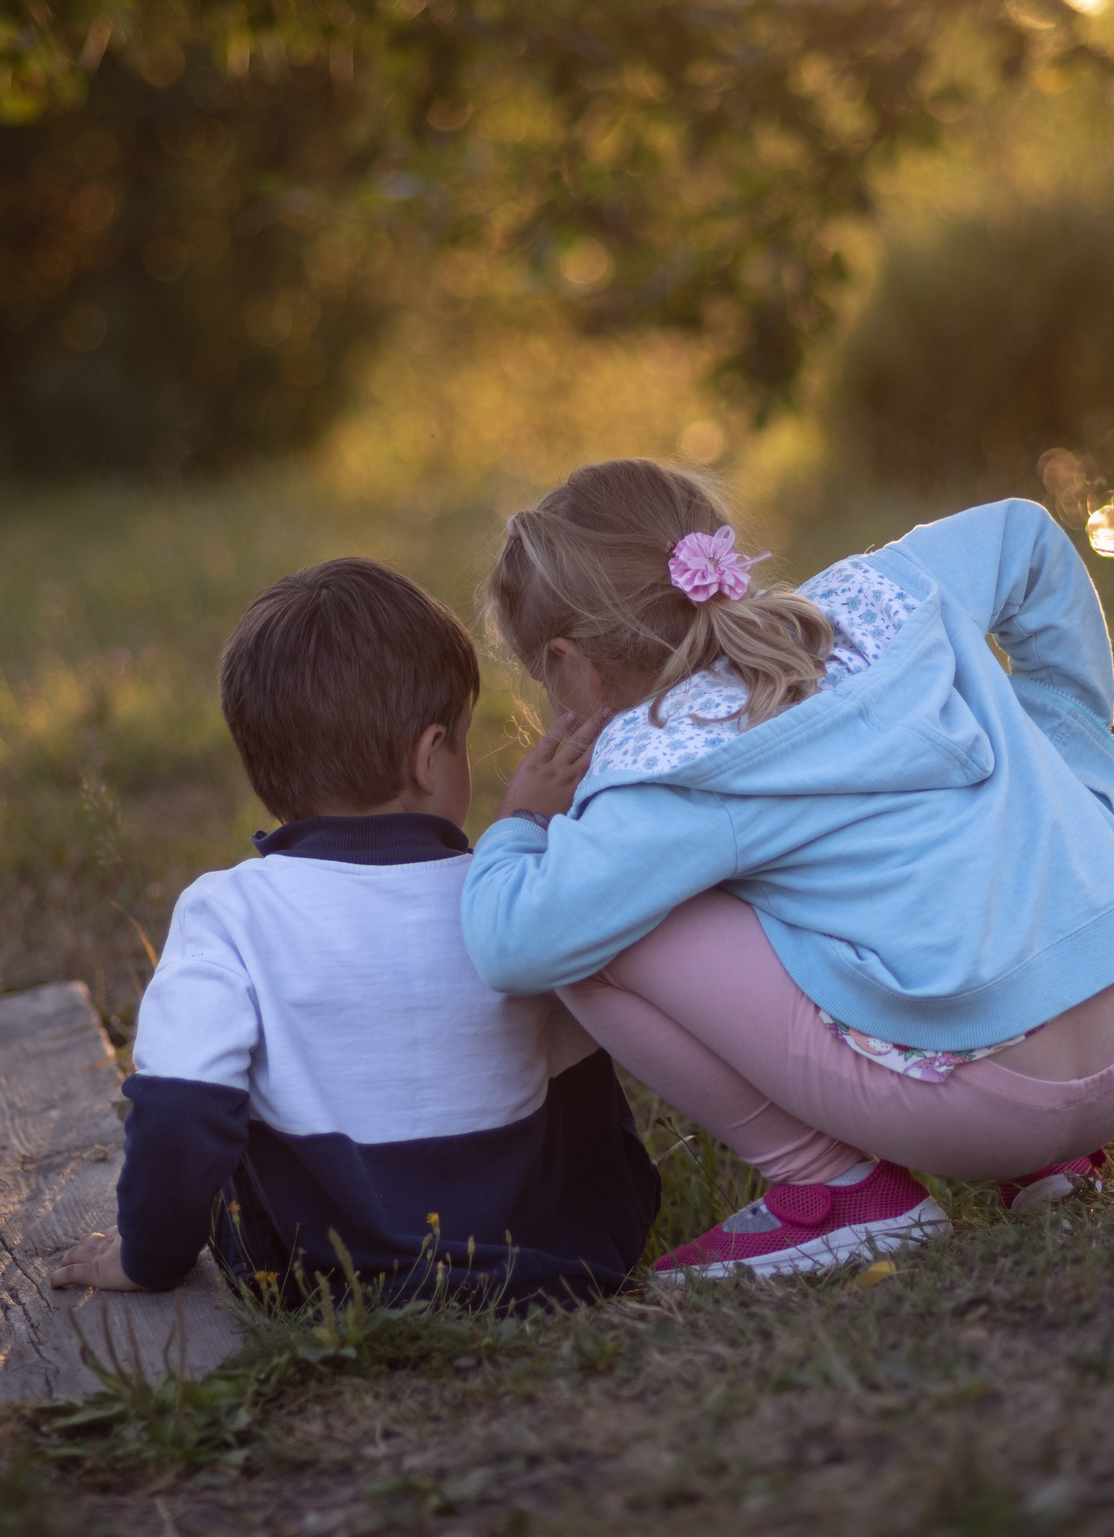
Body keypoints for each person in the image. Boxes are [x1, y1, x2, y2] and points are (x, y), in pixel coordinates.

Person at [461, 460, 1114, 1278]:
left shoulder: (663, 772)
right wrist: (1060, 735)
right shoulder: (883, 591)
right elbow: (1029, 538)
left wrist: (525, 822)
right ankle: (1049, 1168)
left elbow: (514, 941)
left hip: (994, 1107)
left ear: (572, 661)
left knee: (593, 932)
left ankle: (836, 1191)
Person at [53, 558, 660, 1306]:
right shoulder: (501, 895)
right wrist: (529, 829)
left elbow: (181, 1107)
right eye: (464, 741)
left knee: (225, 1095)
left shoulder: (227, 910)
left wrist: (149, 1258)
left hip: (321, 1279)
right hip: (545, 1260)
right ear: (429, 755)